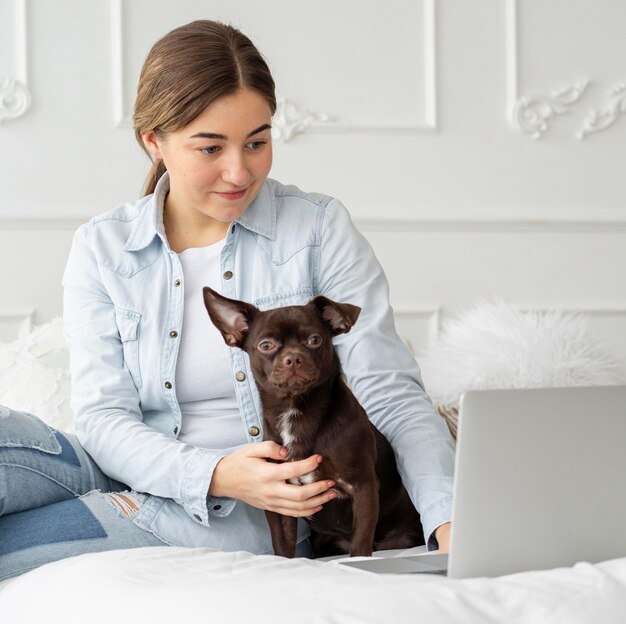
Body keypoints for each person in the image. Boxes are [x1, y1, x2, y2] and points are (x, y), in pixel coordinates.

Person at [0, 20, 454, 582]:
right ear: (154, 141)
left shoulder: (316, 228)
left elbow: (389, 390)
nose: (240, 172)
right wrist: (209, 470)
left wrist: (447, 516)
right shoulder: (103, 246)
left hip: (247, 509)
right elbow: (104, 418)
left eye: (257, 142)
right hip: (130, 467)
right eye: (210, 147)